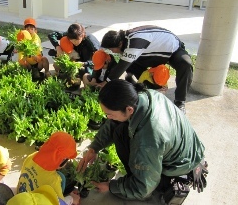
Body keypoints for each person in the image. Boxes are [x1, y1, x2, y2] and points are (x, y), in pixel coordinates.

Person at [77, 79, 208, 201]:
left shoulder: (147, 140)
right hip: (189, 147)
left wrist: (111, 186)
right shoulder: (146, 95)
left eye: (109, 114)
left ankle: (164, 181)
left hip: (182, 164)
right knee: (119, 128)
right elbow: (114, 122)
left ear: (129, 109)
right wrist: (94, 148)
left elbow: (143, 188)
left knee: (142, 183)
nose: (108, 117)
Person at [99, 25, 193, 113]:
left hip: (172, 49)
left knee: (186, 64)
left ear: (119, 43)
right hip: (153, 54)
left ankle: (180, 101)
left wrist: (107, 82)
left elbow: (121, 66)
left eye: (112, 49)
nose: (112, 52)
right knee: (131, 65)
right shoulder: (125, 40)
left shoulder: (136, 41)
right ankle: (152, 88)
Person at [16, 131, 80, 205]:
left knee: (62, 177)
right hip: (34, 202)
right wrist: (71, 199)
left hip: (20, 198)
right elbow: (58, 203)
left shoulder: (32, 156)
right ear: (62, 160)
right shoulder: (53, 181)